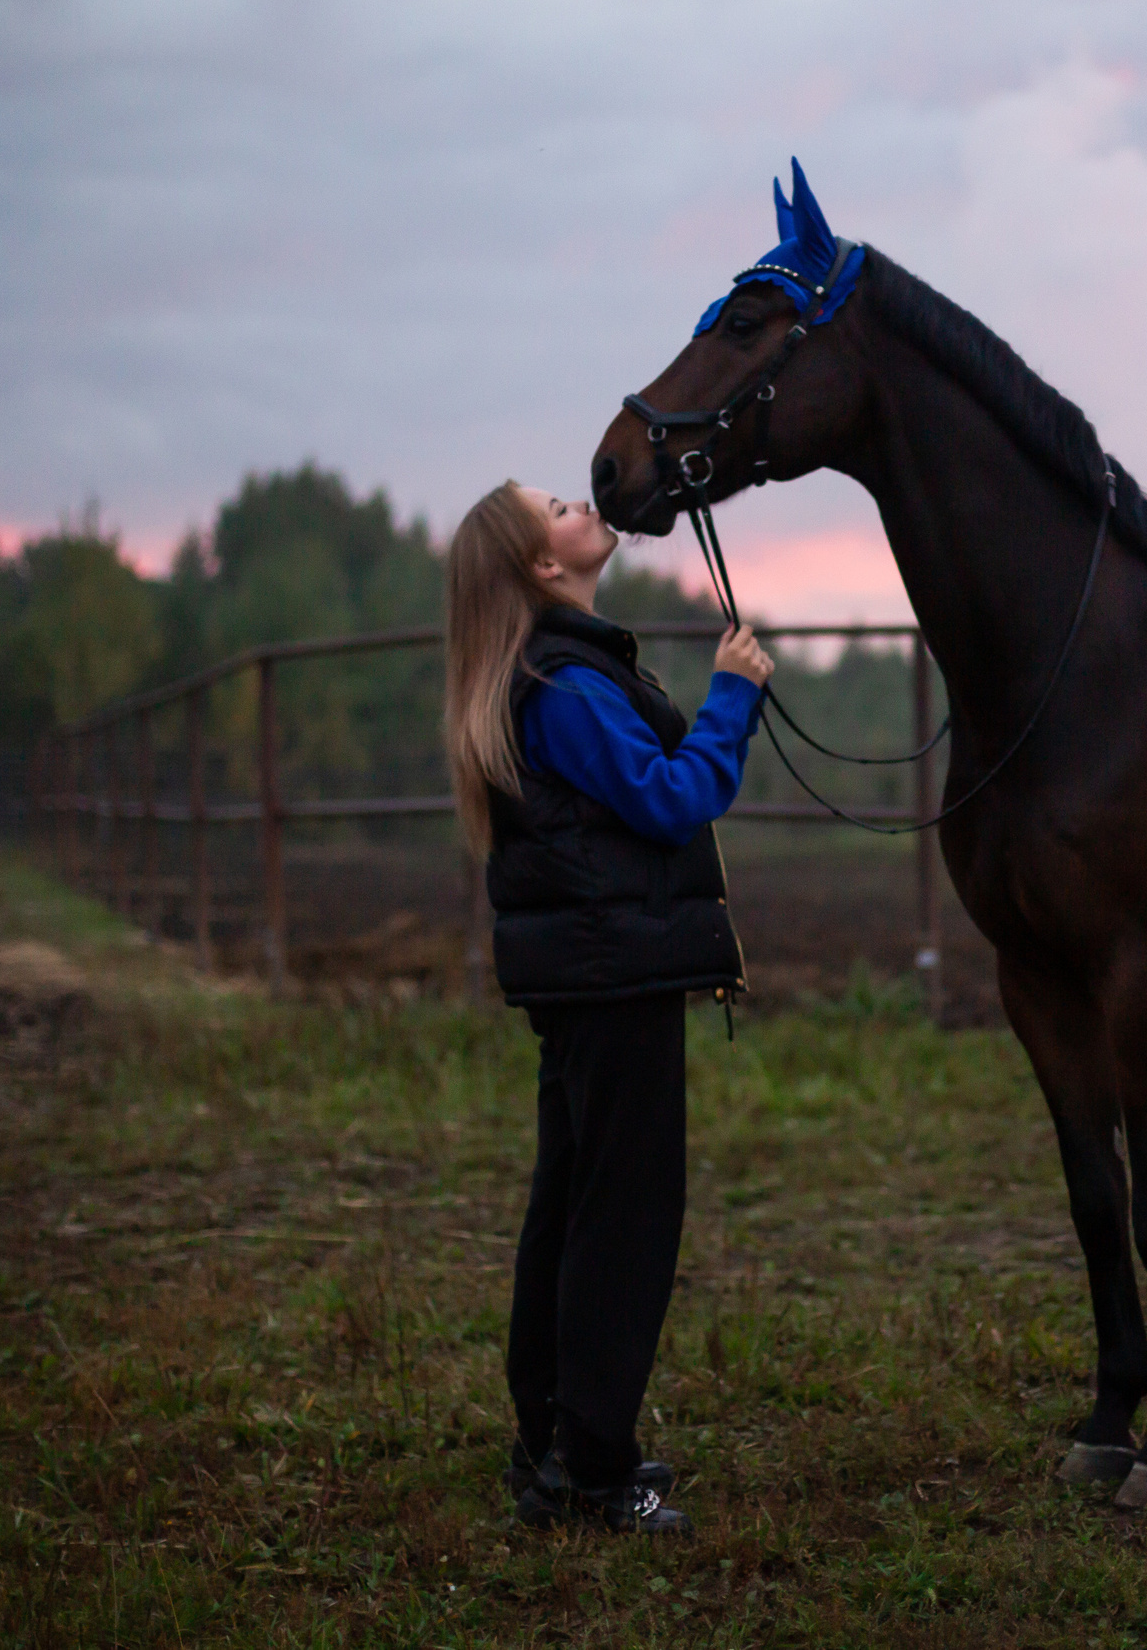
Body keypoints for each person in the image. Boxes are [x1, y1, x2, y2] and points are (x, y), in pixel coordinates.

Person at [443, 478, 774, 1536]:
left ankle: (552, 1439)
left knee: (574, 1201)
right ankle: (589, 1471)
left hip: (589, 975)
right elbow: (674, 800)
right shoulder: (567, 686)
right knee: (623, 1218)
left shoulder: (547, 674)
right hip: (613, 975)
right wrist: (730, 698)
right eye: (558, 506)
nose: (583, 503)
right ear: (544, 566)